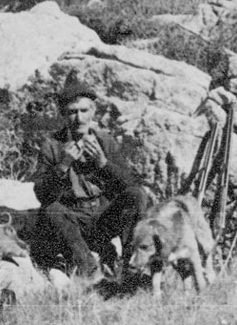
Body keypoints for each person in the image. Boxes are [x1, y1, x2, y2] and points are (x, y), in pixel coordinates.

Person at [31, 79, 149, 277]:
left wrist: (103, 163)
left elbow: (130, 183)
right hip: (73, 218)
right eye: (72, 112)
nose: (79, 118)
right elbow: (42, 194)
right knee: (52, 209)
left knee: (137, 195)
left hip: (103, 217)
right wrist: (64, 164)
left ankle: (130, 267)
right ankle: (89, 270)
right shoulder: (52, 145)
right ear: (63, 114)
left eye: (84, 111)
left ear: (93, 111)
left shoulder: (105, 140)